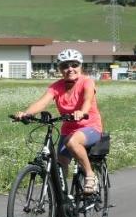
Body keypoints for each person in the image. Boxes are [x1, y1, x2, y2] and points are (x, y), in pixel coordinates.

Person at [13, 48, 103, 193]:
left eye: (74, 64)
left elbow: (87, 100)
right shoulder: (57, 86)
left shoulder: (87, 82)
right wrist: (25, 113)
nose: (70, 69)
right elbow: (42, 103)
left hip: (90, 127)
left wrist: (82, 112)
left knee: (72, 142)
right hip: (68, 130)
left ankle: (90, 174)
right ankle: (63, 200)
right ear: (60, 68)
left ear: (80, 66)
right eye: (65, 65)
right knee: (59, 165)